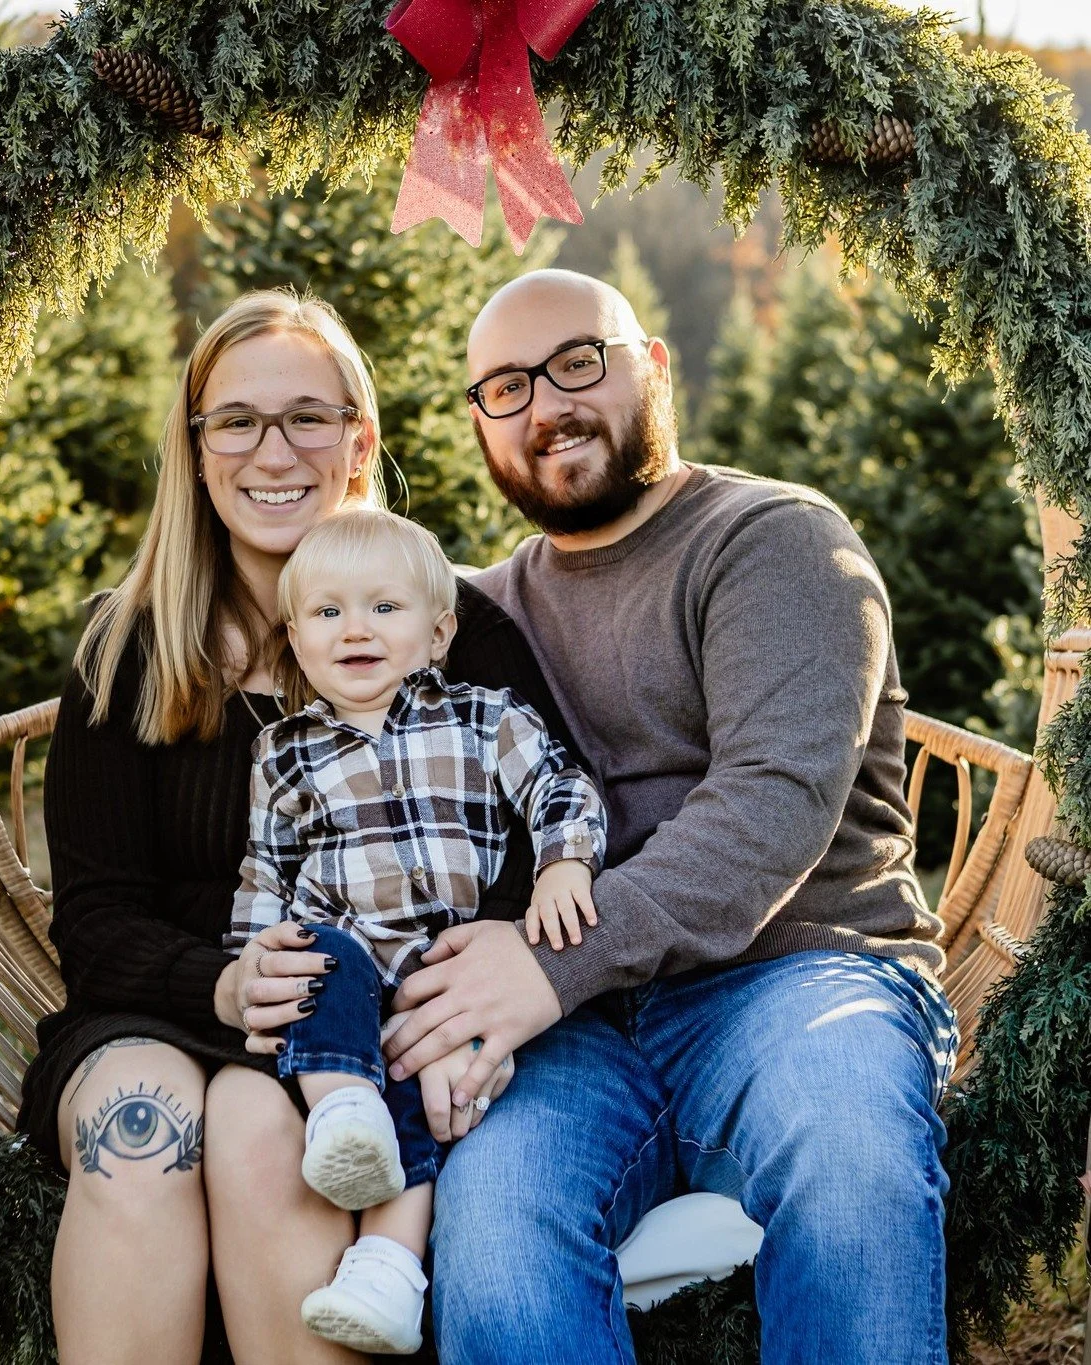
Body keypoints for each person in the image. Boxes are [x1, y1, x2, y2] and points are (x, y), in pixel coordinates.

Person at [380, 269, 960, 1364]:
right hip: (584, 1034)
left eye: (575, 363)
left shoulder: (773, 541)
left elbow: (769, 810)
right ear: (478, 423)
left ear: (652, 366)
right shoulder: (485, 616)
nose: (545, 405)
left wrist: (547, 964)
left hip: (796, 975)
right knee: (495, 1227)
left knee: (848, 1148)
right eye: (505, 387)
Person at [13, 289, 580, 1365]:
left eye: (307, 418)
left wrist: (471, 992)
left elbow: (540, 833)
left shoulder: (448, 630)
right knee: (144, 1129)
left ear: (359, 442)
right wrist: (220, 986)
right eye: (236, 421)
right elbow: (94, 921)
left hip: (381, 1021)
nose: (271, 450)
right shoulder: (127, 649)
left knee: (264, 1132)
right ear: (195, 448)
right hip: (169, 1007)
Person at [226, 505, 606, 1355]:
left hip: (445, 975)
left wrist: (563, 864)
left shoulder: (483, 719)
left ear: (437, 634)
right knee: (319, 961)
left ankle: (388, 1273)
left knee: (431, 1106)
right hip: (342, 977)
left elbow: (561, 790)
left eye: (383, 609)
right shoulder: (283, 753)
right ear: (295, 638)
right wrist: (250, 959)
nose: (354, 630)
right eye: (327, 613)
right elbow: (265, 870)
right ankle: (342, 1112)